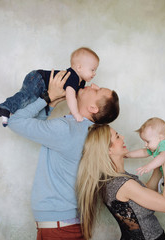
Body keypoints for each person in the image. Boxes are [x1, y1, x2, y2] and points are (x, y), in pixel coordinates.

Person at [8, 70, 120, 240]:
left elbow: (15, 121)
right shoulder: (81, 130)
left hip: (58, 228)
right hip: (65, 225)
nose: (93, 85)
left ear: (93, 108)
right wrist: (53, 101)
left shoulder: (66, 129)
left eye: (97, 90)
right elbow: (37, 127)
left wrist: (47, 97)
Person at [76, 124, 165, 240]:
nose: (123, 137)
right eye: (117, 136)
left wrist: (157, 167)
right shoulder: (123, 184)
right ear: (108, 149)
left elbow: (145, 196)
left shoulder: (114, 178)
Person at [0, 47, 99, 126]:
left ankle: (13, 115)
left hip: (44, 87)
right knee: (27, 97)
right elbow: (70, 97)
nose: (94, 74)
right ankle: (6, 108)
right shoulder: (73, 77)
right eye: (92, 70)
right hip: (38, 79)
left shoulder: (81, 83)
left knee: (32, 105)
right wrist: (76, 114)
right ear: (79, 67)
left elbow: (78, 99)